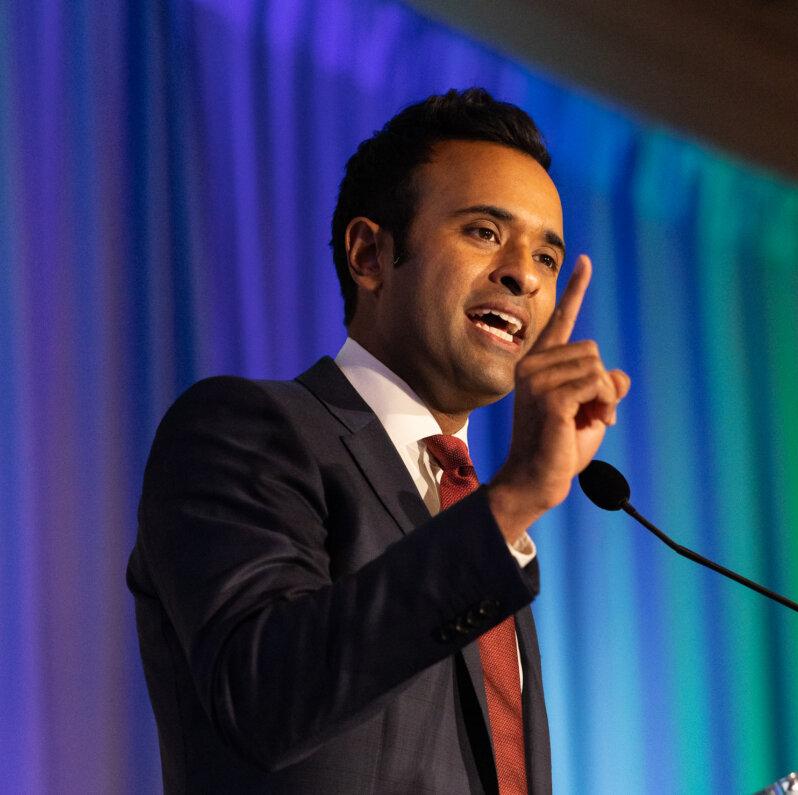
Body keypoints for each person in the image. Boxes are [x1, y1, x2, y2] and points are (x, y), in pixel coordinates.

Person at [126, 88, 630, 793]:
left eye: (547, 257)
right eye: (485, 232)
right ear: (369, 255)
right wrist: (514, 500)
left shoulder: (479, 522)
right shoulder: (244, 429)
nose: (523, 274)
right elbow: (265, 697)